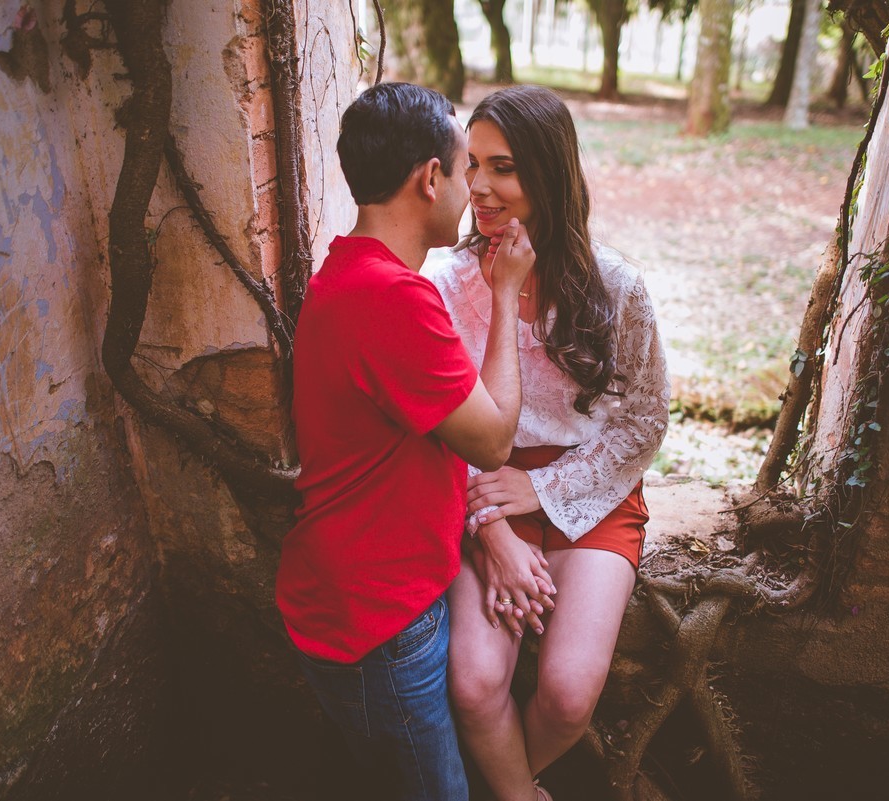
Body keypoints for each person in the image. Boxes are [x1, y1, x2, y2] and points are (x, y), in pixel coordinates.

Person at [276, 82, 536, 801]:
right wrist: (508, 293)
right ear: (430, 178)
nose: (475, 189)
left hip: (350, 596)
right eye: (464, 171)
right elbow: (491, 441)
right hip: (381, 622)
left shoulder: (346, 268)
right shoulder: (394, 297)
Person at [422, 85, 671, 801]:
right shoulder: (446, 284)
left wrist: (544, 489)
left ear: (549, 173)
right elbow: (440, 427)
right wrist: (493, 526)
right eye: (471, 164)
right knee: (472, 683)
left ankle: (503, 784)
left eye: (502, 167)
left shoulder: (615, 285)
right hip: (478, 488)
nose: (478, 187)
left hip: (592, 488)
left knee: (565, 694)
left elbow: (645, 418)